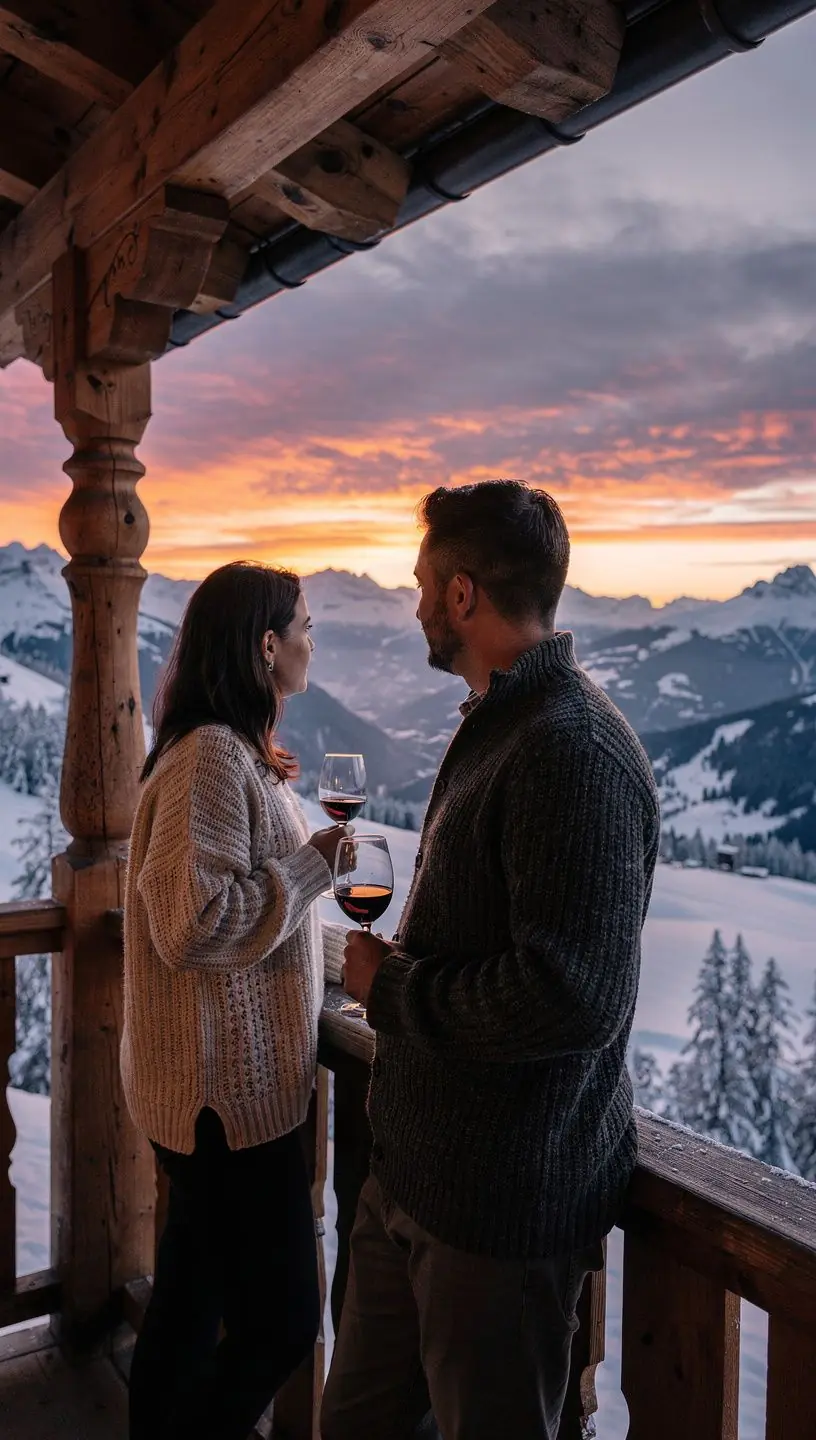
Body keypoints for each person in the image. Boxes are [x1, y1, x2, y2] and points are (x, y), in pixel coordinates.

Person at [322, 481, 660, 1440]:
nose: (415, 605)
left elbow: (571, 997)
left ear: (463, 594)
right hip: (416, 1184)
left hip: (498, 1221)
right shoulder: (506, 718)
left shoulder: (571, 750)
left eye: (423, 584)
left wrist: (391, 986)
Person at [123, 561, 346, 1440]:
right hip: (225, 1102)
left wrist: (341, 956)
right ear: (266, 646)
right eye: (305, 626)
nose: (312, 641)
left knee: (190, 1301)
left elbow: (238, 913)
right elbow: (196, 924)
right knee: (283, 1318)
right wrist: (311, 868)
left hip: (217, 1095)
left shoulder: (226, 750)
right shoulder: (212, 757)